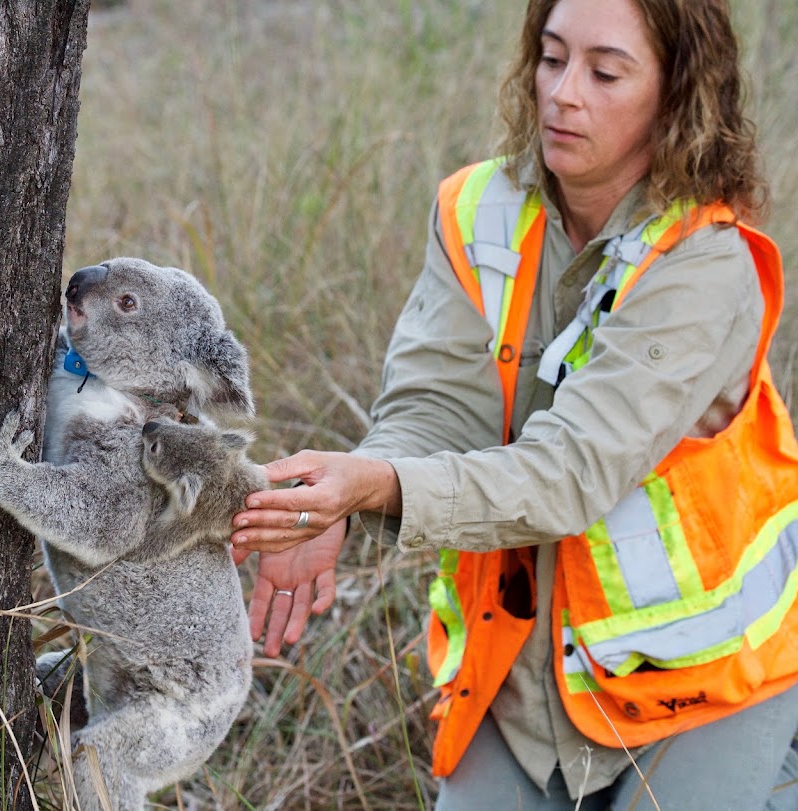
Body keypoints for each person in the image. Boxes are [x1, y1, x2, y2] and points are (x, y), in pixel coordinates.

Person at [229, 0, 798, 808]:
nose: (563, 93)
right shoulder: (476, 210)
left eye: (605, 72)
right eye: (551, 57)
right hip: (520, 674)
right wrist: (341, 500)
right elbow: (434, 408)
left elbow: (568, 475)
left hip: (707, 678)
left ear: (678, 97)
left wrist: (381, 489)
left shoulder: (704, 261)